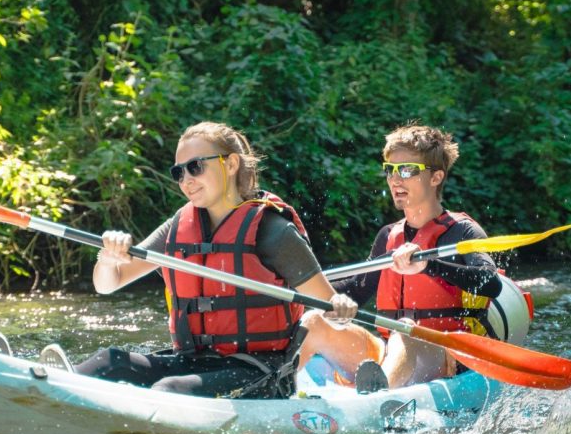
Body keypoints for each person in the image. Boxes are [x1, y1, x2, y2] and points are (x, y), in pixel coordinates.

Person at [75, 121, 357, 398]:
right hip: (194, 362)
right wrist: (109, 259)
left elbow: (329, 307)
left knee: (167, 391)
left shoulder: (273, 231)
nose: (186, 180)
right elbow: (108, 284)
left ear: (231, 164)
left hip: (258, 372)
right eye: (178, 172)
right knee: (110, 362)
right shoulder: (177, 227)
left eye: (195, 167)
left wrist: (339, 309)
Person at [298, 124, 503, 393]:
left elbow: (490, 283)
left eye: (407, 170)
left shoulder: (462, 232)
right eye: (390, 170)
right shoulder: (388, 236)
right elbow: (357, 290)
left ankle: (374, 399)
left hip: (446, 355)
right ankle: (271, 392)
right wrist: (300, 290)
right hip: (392, 349)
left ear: (435, 177)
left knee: (406, 329)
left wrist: (429, 265)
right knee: (315, 321)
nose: (395, 180)